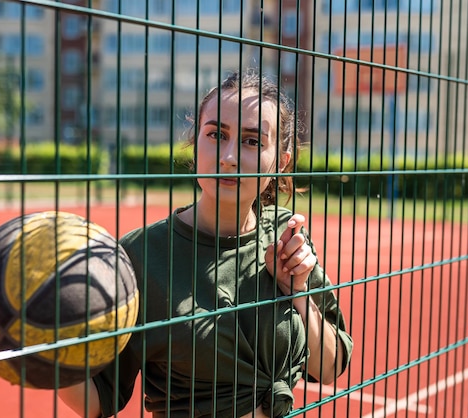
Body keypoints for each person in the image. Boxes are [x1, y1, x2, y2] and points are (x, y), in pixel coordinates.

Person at [59, 69, 353, 417]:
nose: (228, 157)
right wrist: (39, 348)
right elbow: (97, 400)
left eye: (252, 141)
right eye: (216, 134)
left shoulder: (286, 234)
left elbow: (331, 367)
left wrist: (299, 293)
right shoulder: (141, 255)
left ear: (280, 162)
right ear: (195, 141)